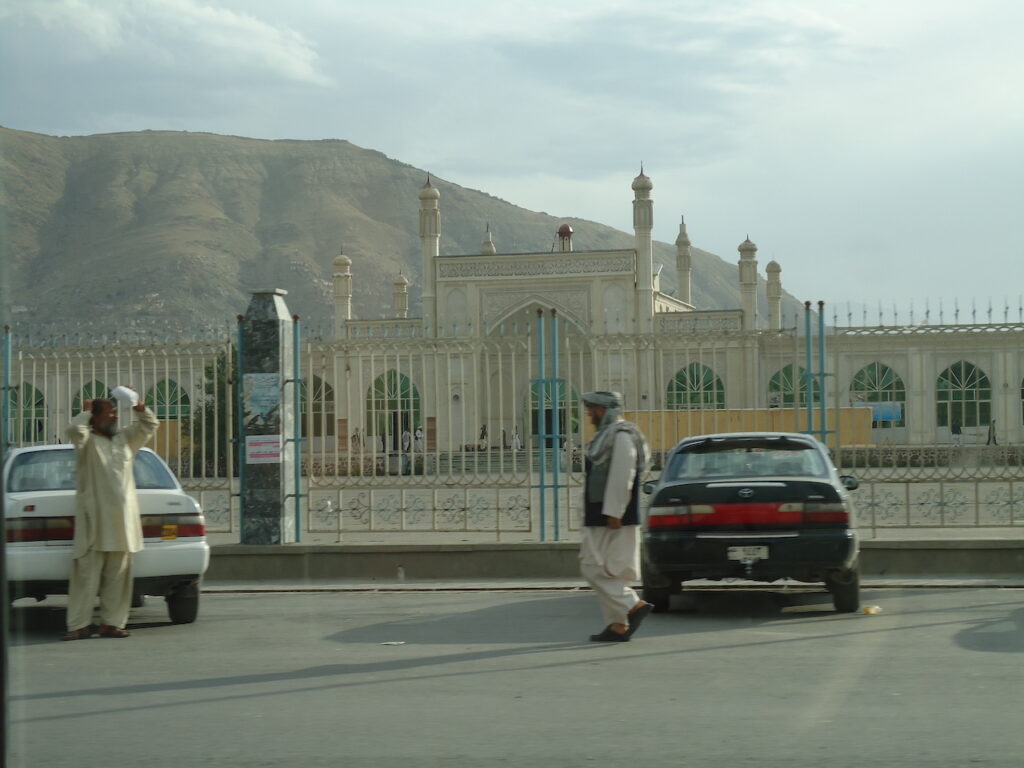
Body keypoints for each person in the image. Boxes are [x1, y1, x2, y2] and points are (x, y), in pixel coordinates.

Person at [62, 393, 158, 640]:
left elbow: (150, 425)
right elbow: (74, 429)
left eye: (115, 412)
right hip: (94, 521)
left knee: (118, 576)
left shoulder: (125, 439)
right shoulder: (86, 441)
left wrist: (138, 406)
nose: (114, 416)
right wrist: (85, 412)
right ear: (95, 417)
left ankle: (112, 623)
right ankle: (79, 625)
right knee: (86, 577)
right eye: (109, 412)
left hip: (122, 523)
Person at [579, 391, 653, 642]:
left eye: (591, 409)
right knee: (613, 572)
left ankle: (633, 605)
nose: (588, 414)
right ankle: (617, 626)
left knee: (592, 567)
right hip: (605, 512)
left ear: (602, 410)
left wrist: (613, 511)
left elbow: (624, 474)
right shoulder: (606, 436)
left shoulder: (621, 436)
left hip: (611, 515)